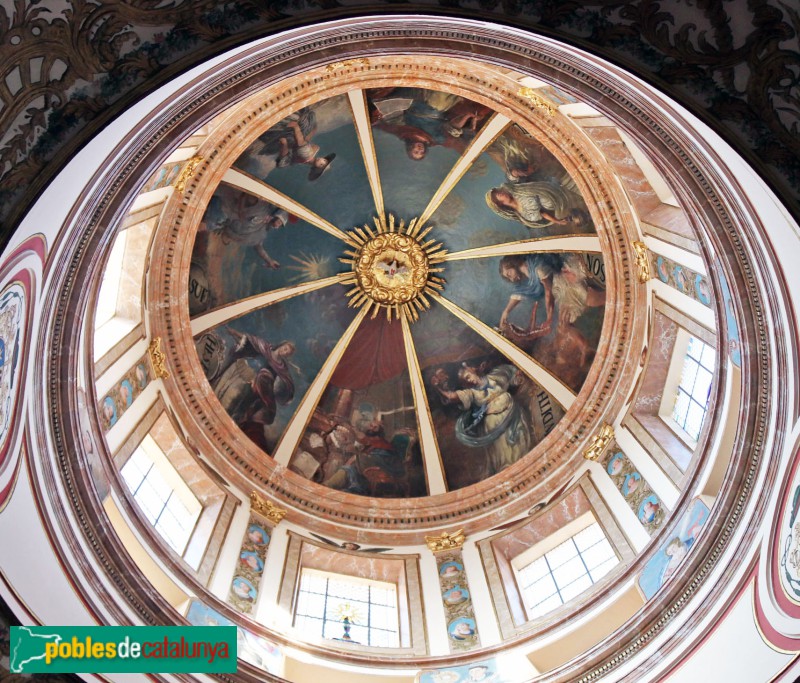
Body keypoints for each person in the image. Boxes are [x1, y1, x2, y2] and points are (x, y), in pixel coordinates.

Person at [432, 363, 530, 475]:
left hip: (513, 416)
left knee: (521, 444)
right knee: (504, 455)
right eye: (465, 381)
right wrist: (438, 387)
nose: (469, 381)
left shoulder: (493, 377)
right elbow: (451, 397)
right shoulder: (471, 393)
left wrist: (518, 377)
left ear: (471, 370)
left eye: (468, 376)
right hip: (494, 426)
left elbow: (512, 376)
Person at [212, 327, 296, 450]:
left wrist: (270, 383)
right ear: (282, 345)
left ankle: (225, 426)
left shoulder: (282, 368)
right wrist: (233, 331)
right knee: (225, 390)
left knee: (236, 403)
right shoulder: (265, 347)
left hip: (254, 388)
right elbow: (249, 340)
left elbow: (286, 386)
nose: (285, 351)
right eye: (285, 347)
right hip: (242, 371)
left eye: (287, 352)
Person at [256, 107, 336, 180]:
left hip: (289, 148)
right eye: (324, 160)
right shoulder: (314, 151)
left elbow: (300, 142)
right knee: (312, 126)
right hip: (294, 147)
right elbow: (305, 142)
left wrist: (296, 127)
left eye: (321, 165)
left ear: (315, 168)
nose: (321, 161)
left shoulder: (307, 155)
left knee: (285, 139)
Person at [485, 177, 588, 229]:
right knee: (560, 212)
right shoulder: (523, 214)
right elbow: (543, 213)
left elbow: (533, 187)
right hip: (554, 205)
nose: (502, 193)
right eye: (500, 195)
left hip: (551, 190)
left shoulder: (517, 191)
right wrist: (557, 221)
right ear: (500, 204)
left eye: (500, 192)